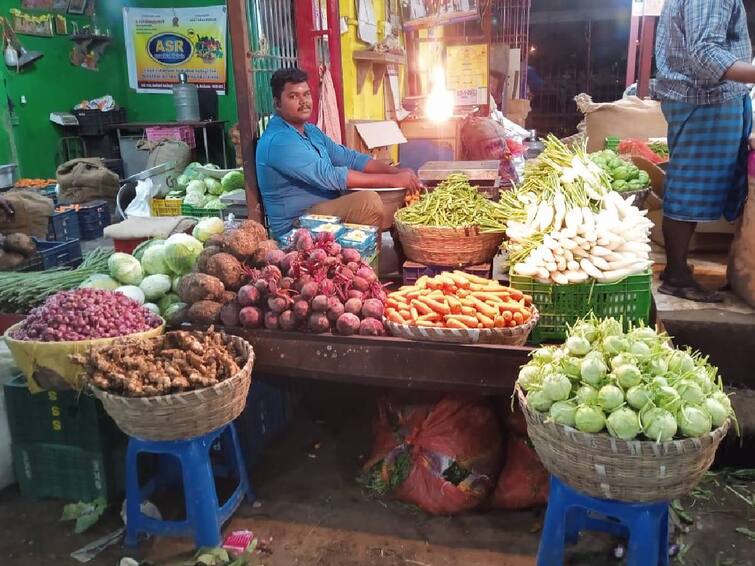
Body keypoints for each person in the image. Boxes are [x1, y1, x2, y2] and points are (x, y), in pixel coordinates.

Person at [653, 0, 753, 302]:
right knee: (689, 186)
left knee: (691, 183)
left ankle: (678, 269)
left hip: (705, 98)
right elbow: (705, 55)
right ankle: (677, 276)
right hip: (706, 100)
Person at [255, 67, 421, 239]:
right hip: (297, 225)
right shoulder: (280, 140)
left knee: (399, 196)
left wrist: (398, 173)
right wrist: (393, 180)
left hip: (323, 211)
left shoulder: (310, 131)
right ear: (277, 104)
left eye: (306, 94)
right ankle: (365, 264)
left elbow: (351, 158)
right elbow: (330, 176)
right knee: (368, 203)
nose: (303, 101)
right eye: (293, 96)